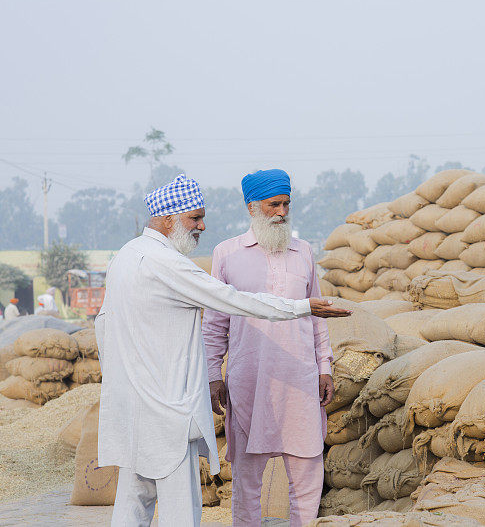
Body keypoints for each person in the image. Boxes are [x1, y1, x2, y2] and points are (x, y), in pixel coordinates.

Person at [96, 174, 350, 527]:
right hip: (172, 408)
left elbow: (102, 326)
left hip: (137, 405)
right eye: (195, 218)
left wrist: (120, 381)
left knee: (134, 500)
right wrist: (301, 307)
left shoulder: (126, 255)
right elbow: (227, 304)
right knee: (181, 510)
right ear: (169, 218)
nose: (202, 226)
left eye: (285, 204)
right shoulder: (174, 262)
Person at [202, 169, 334, 527]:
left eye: (286, 204)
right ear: (252, 207)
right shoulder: (227, 254)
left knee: (307, 479)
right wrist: (214, 375)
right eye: (273, 204)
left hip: (300, 381)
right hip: (249, 382)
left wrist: (325, 367)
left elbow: (316, 316)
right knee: (247, 485)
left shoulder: (304, 251)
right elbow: (215, 324)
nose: (281, 212)